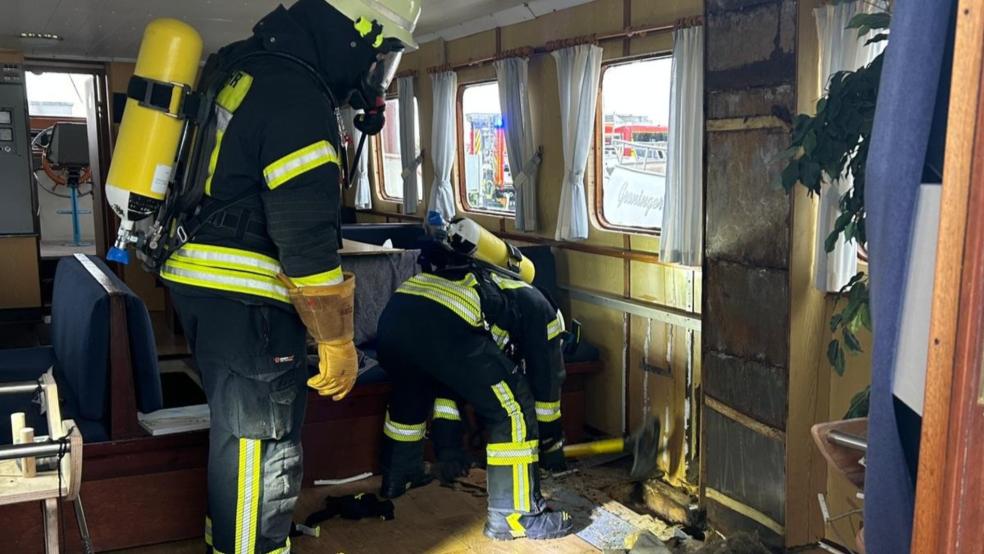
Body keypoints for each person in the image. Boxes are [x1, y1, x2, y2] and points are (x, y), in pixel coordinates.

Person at [158, 1, 421, 552]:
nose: (376, 74)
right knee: (262, 445)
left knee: (237, 442)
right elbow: (305, 238)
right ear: (352, 34)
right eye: (382, 55)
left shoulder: (245, 64)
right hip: (247, 296)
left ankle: (228, 542)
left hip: (203, 284)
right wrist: (336, 339)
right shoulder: (296, 95)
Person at [376, 238, 574, 541]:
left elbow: (452, 382)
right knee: (514, 411)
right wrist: (551, 444)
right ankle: (515, 516)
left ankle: (401, 475)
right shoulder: (542, 312)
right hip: (444, 325)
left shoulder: (492, 287)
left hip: (395, 319)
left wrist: (449, 447)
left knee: (409, 395)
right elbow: (547, 384)